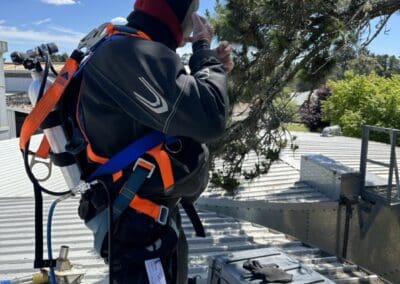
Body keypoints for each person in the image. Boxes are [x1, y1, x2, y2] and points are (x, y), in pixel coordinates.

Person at [76, 0, 233, 283]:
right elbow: (209, 117)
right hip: (139, 229)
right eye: (192, 9)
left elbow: (181, 109)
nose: (196, 18)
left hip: (148, 221)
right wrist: (202, 50)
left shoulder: (133, 50)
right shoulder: (129, 54)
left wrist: (213, 70)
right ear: (174, 11)